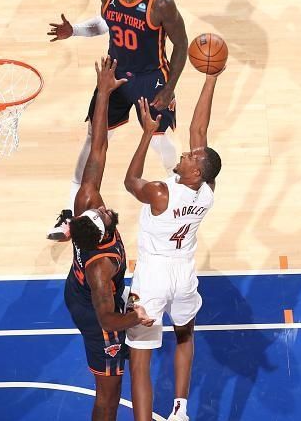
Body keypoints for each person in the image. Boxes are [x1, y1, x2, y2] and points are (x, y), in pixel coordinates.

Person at [46, 0, 188, 241]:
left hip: (151, 79)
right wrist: (74, 30)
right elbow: (106, 22)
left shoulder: (161, 3)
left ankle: (183, 194)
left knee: (160, 141)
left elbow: (181, 45)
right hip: (115, 74)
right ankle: (70, 212)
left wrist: (169, 88)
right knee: (95, 139)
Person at [123, 68, 224, 421]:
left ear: (196, 173)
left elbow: (130, 181)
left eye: (191, 158)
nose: (186, 155)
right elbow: (199, 130)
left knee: (139, 360)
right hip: (183, 275)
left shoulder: (161, 193)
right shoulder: (207, 193)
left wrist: (147, 133)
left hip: (153, 275)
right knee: (184, 335)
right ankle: (180, 410)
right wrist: (211, 77)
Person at [64, 55, 155, 421]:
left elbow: (99, 147)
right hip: (96, 310)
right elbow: (107, 319)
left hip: (79, 287)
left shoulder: (86, 199)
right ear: (101, 236)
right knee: (109, 393)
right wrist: (134, 317)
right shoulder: (102, 267)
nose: (105, 209)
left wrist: (103, 93)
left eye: (100, 212)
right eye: (104, 217)